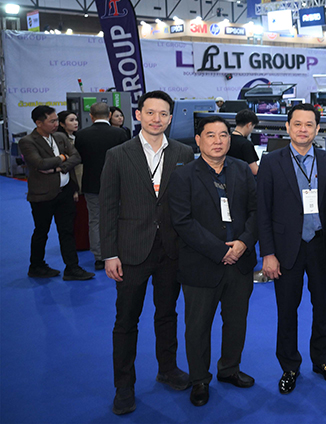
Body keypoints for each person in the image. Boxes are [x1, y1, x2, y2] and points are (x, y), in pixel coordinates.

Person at [99, 90, 195, 415]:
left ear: (170, 118)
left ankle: (167, 369)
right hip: (130, 251)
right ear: (138, 115)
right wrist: (109, 253)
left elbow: (188, 204)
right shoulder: (118, 154)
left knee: (167, 314)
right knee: (126, 320)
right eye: (150, 112)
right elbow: (108, 207)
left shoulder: (183, 152)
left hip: (170, 250)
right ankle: (124, 386)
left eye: (163, 113)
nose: (157, 119)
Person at [169, 116, 258, 407]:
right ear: (198, 140)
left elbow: (257, 211)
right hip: (201, 264)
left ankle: (229, 369)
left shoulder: (242, 170)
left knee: (236, 322)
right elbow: (182, 222)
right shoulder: (183, 175)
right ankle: (199, 379)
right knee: (198, 327)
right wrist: (220, 250)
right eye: (210, 135)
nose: (218, 141)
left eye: (223, 135)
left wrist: (244, 243)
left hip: (240, 263)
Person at [257, 103, 326, 394]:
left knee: (323, 307)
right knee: (287, 309)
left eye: (309, 125)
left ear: (317, 129)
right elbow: (263, 211)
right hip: (285, 248)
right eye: (297, 124)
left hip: (320, 245)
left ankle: (323, 360)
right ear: (287, 127)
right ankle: (290, 366)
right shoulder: (272, 162)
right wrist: (267, 253)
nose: (303, 129)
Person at [18, 106, 92, 281]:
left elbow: (77, 157)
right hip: (42, 195)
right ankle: (36, 265)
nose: (56, 124)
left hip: (65, 193)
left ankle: (72, 268)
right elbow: (40, 164)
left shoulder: (60, 137)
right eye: (51, 121)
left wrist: (58, 167)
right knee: (41, 231)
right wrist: (63, 157)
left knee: (67, 231)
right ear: (39, 123)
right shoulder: (28, 141)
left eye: (56, 120)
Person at [75, 102, 130, 270]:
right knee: (119, 218)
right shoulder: (120, 133)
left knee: (95, 220)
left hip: (91, 183)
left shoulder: (81, 135)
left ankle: (99, 257)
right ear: (109, 115)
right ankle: (119, 252)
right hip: (117, 182)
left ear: (91, 116)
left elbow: (79, 158)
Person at [227, 109, 260, 175]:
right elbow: (255, 171)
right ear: (249, 125)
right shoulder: (246, 144)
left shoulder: (227, 139)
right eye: (253, 127)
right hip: (241, 178)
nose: (251, 130)